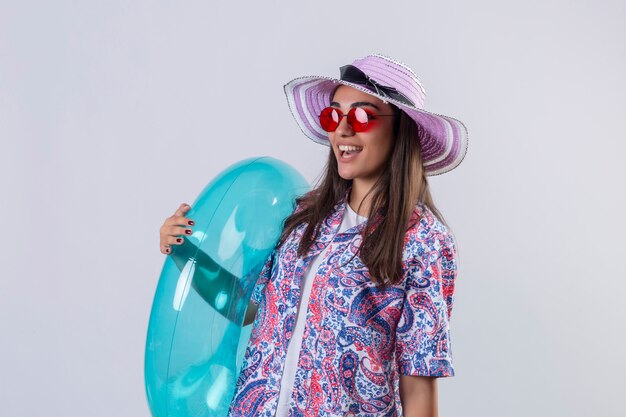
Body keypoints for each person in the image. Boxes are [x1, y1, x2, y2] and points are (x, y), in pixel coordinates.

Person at [158, 54, 468, 417]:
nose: (342, 130)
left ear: (402, 129)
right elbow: (246, 307)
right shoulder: (306, 217)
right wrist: (184, 252)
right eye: (334, 116)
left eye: (362, 116)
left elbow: (418, 386)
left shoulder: (425, 241)